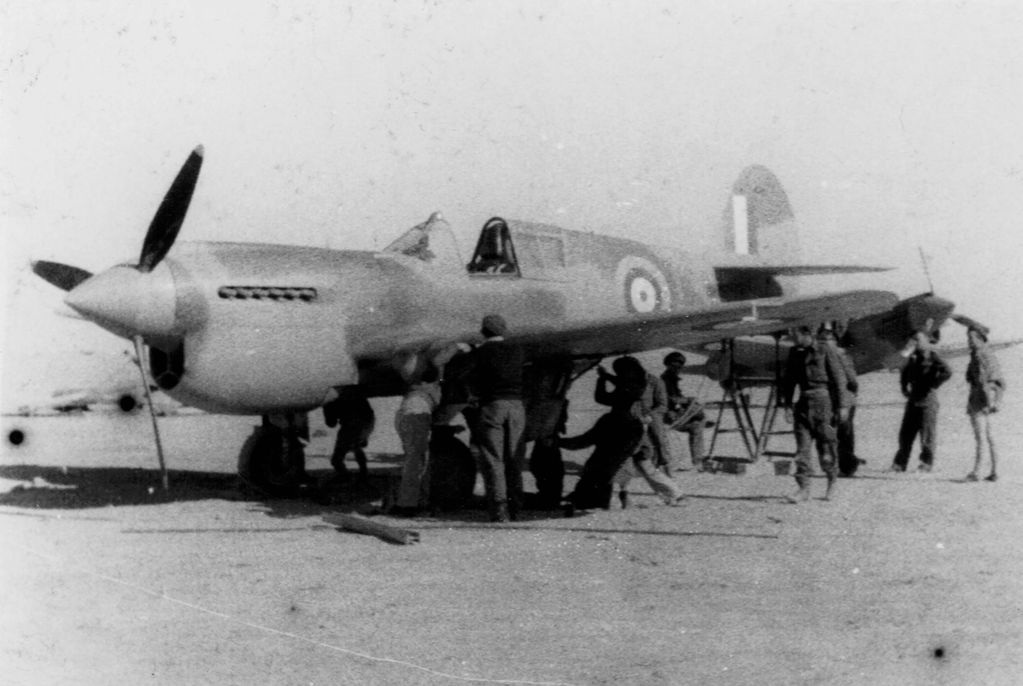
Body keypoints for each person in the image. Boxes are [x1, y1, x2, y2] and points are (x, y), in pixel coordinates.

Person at [596, 356, 684, 506]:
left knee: (647, 463)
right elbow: (604, 398)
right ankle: (623, 496)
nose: (622, 374)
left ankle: (673, 494)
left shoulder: (654, 382)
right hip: (623, 429)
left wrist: (648, 416)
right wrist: (602, 379)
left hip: (645, 430)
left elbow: (662, 405)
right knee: (626, 464)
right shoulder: (624, 382)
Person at [468, 314, 526, 522]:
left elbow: (467, 376)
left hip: (492, 406)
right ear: (504, 330)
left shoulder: (481, 352)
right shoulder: (518, 350)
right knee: (514, 458)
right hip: (517, 406)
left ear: (483, 332)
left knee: (494, 459)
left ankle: (500, 509)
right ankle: (516, 507)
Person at [781, 326, 848, 502]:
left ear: (806, 334)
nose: (791, 337)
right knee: (802, 449)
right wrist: (787, 405)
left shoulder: (825, 350)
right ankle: (803, 488)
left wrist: (843, 406)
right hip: (803, 404)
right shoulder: (794, 353)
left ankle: (832, 482)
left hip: (824, 405)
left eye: (794, 333)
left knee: (827, 446)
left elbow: (839, 379)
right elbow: (789, 381)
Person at [559, 406, 647, 512]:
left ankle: (586, 501)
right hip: (618, 468)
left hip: (599, 468)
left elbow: (584, 441)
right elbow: (638, 448)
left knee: (596, 477)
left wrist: (559, 442)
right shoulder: (637, 425)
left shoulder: (608, 420)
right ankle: (617, 499)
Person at [890, 330, 952, 473]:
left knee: (927, 435)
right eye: (914, 340)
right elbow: (904, 371)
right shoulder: (912, 357)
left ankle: (926, 463)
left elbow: (948, 371)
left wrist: (935, 383)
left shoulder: (933, 356)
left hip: (928, 401)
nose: (915, 343)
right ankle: (900, 464)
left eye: (918, 340)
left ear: (925, 340)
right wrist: (904, 387)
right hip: (913, 399)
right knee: (905, 434)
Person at [391, 366, 442, 516]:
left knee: (415, 460)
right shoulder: (433, 385)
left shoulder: (417, 384)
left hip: (409, 412)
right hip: (417, 413)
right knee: (417, 462)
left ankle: (413, 502)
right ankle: (408, 505)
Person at [817, 328, 861, 477]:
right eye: (821, 340)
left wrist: (844, 404)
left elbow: (846, 380)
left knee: (843, 433)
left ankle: (847, 466)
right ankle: (836, 464)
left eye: (826, 341)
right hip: (835, 401)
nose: (823, 344)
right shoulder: (827, 355)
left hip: (843, 402)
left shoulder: (837, 355)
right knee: (832, 431)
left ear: (834, 342)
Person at [964, 326, 1005, 482]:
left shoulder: (981, 356)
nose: (969, 341)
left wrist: (995, 399)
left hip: (979, 401)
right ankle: (995, 471)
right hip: (986, 400)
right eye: (968, 338)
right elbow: (1000, 381)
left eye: (971, 338)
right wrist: (997, 400)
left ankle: (977, 472)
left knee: (981, 438)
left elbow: (997, 382)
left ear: (980, 338)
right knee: (989, 438)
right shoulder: (985, 355)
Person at [660, 351, 707, 472]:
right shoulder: (666, 380)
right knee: (697, 415)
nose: (678, 369)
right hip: (671, 417)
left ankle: (697, 461)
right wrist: (689, 400)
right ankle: (697, 461)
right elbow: (672, 399)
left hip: (675, 415)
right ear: (669, 365)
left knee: (697, 425)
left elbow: (676, 399)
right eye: (675, 366)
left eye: (680, 366)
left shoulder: (671, 379)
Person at [324, 386, 376, 480]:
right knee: (356, 447)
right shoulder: (348, 387)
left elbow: (331, 423)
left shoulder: (328, 397)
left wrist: (326, 408)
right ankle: (363, 474)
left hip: (352, 425)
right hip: (367, 422)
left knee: (336, 460)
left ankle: (347, 476)